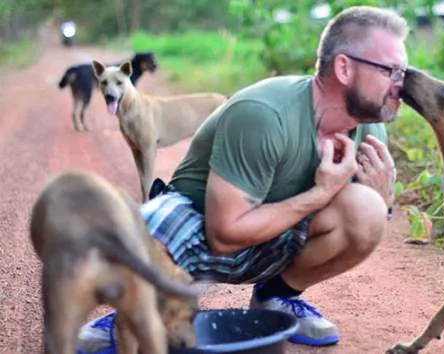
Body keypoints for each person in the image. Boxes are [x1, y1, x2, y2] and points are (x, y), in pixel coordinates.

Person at [78, 5, 409, 351]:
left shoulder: (370, 130)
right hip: (201, 228)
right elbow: (223, 235)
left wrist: (381, 203)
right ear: (344, 67)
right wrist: (320, 192)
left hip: (276, 232)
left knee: (367, 210)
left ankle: (276, 296)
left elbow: (356, 215)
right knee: (151, 223)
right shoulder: (264, 114)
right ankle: (134, 313)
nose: (401, 85)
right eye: (391, 71)